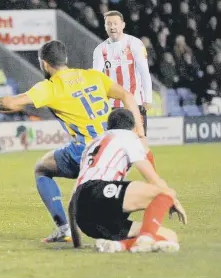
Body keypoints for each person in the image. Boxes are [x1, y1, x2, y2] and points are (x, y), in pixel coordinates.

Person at [0, 40, 145, 242]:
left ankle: (65, 227)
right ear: (65, 59)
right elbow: (127, 95)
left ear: (44, 64)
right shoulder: (92, 75)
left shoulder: (51, 87)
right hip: (117, 149)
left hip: (87, 151)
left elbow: (11, 103)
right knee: (104, 191)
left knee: (42, 169)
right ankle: (125, 222)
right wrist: (139, 133)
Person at [69, 108, 187, 253]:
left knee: (170, 237)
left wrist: (76, 241)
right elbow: (154, 179)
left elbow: (76, 193)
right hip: (98, 192)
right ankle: (146, 237)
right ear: (133, 126)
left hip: (86, 217)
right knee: (164, 192)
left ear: (109, 125)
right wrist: (171, 198)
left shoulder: (93, 144)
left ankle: (119, 245)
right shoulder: (128, 137)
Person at [92, 10, 156, 168]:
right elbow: (96, 77)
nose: (112, 26)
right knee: (111, 147)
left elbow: (144, 72)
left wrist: (147, 98)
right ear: (105, 27)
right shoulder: (100, 49)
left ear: (123, 25)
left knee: (141, 144)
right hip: (112, 106)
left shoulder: (134, 44)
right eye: (109, 24)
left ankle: (155, 182)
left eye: (115, 23)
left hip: (134, 103)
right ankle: (111, 182)